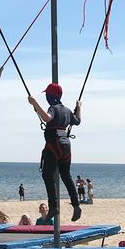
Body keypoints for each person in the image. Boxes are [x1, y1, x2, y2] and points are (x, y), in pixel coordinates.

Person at [27, 82, 82, 223]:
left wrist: (34, 103)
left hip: (54, 144)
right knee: (66, 175)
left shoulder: (53, 108)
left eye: (47, 94)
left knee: (47, 175)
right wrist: (79, 107)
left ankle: (53, 206)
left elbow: (47, 118)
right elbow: (78, 121)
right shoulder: (68, 110)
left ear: (51, 96)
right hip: (66, 145)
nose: (46, 96)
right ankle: (76, 204)